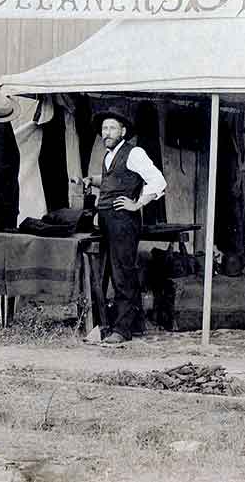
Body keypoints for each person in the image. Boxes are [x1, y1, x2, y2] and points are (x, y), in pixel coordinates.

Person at [84, 107, 167, 343]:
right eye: (104, 129)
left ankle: (122, 330)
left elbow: (158, 181)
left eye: (112, 128)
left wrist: (138, 203)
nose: (106, 133)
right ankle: (134, 324)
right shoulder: (109, 156)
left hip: (124, 221)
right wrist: (93, 181)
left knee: (123, 273)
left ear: (123, 131)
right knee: (113, 271)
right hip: (108, 222)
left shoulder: (134, 153)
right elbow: (113, 179)